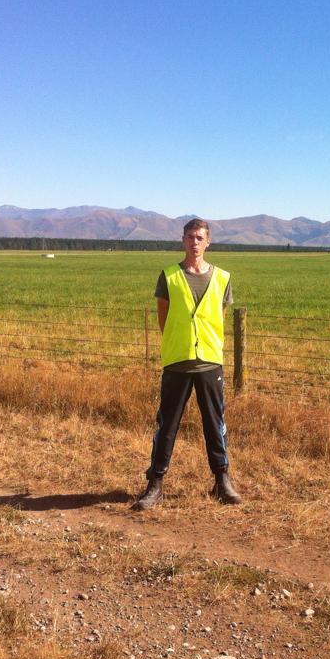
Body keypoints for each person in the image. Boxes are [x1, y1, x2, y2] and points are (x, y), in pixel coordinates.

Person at [132, 218, 242, 510]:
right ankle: (155, 484)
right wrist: (178, 343)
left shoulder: (222, 278)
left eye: (200, 237)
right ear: (183, 240)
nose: (195, 242)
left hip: (209, 363)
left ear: (208, 242)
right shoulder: (168, 276)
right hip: (177, 362)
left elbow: (217, 316)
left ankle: (222, 480)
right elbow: (163, 319)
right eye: (190, 237)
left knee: (215, 424)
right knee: (166, 426)